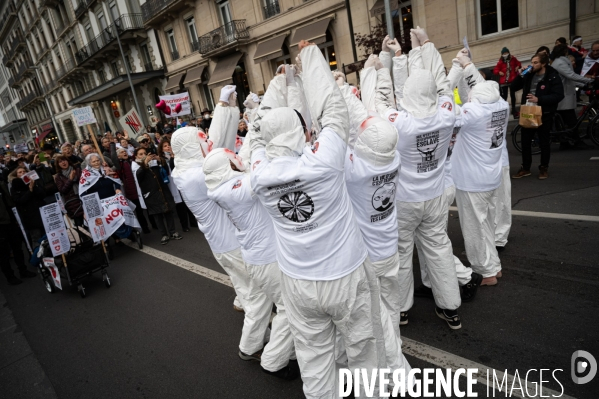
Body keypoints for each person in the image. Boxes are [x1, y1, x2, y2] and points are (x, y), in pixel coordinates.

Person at [251, 42, 398, 397]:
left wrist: (281, 85)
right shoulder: (324, 162)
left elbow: (257, 133)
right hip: (345, 274)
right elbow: (334, 111)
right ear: (303, 134)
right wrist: (311, 60)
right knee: (365, 350)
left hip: (298, 281)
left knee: (314, 358)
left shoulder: (257, 175)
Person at [374, 28, 462, 329]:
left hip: (404, 201)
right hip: (436, 195)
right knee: (439, 248)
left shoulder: (402, 124)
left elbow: (384, 99)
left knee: (401, 253)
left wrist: (386, 62)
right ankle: (450, 308)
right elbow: (441, 83)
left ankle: (401, 309)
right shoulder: (446, 114)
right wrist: (425, 46)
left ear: (408, 96)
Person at [203, 148, 297, 380]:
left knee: (273, 303)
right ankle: (274, 360)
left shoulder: (222, 187)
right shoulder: (235, 189)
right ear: (226, 166)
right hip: (267, 259)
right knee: (291, 308)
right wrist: (258, 152)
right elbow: (266, 177)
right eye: (232, 158)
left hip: (259, 257)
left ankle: (257, 347)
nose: (238, 158)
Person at [170, 126, 252, 319]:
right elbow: (241, 172)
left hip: (223, 241)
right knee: (253, 292)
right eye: (203, 141)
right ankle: (254, 339)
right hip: (229, 243)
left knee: (241, 280)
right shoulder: (195, 177)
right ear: (191, 148)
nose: (210, 143)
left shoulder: (185, 169)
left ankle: (241, 301)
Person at [511, 52, 564, 179]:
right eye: (532, 62)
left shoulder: (552, 76)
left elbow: (558, 95)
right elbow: (513, 87)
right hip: (528, 112)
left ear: (543, 64)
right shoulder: (529, 75)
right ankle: (525, 168)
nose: (533, 65)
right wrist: (520, 75)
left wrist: (539, 99)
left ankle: (543, 168)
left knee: (544, 142)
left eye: (536, 63)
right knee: (525, 142)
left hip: (544, 113)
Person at [134, 148, 182, 245]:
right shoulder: (138, 168)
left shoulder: (155, 164)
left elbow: (165, 168)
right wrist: (145, 163)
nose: (144, 155)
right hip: (151, 196)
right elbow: (139, 175)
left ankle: (172, 232)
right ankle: (164, 234)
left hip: (163, 192)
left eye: (145, 153)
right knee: (158, 216)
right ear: (136, 157)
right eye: (140, 154)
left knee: (168, 212)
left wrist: (159, 159)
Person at [550, 44, 594, 149]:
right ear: (564, 51)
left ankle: (565, 142)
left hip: (564, 95)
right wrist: (589, 80)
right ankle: (576, 141)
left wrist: (583, 85)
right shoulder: (560, 62)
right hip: (563, 96)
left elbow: (569, 80)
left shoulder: (560, 61)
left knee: (565, 121)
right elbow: (571, 76)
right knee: (571, 121)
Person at [0, 180, 37, 285]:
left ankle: (23, 270)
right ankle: (10, 276)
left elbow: (9, 201)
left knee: (17, 247)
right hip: (1, 225)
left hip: (11, 221)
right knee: (3, 254)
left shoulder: (2, 184)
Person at [110, 143, 151, 234]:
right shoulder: (119, 165)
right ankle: (145, 228)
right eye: (121, 152)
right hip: (131, 191)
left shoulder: (133, 161)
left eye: (125, 151)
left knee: (148, 207)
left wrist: (130, 140)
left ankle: (154, 224)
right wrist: (112, 144)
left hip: (140, 188)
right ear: (118, 156)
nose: (124, 153)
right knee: (139, 211)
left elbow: (138, 150)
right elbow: (113, 157)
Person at [157, 140, 195, 232]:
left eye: (169, 145)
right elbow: (169, 169)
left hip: (182, 180)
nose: (168, 147)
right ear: (161, 149)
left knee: (188, 202)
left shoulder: (178, 155)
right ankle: (184, 225)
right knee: (180, 205)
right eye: (165, 146)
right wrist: (171, 158)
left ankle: (193, 222)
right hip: (172, 183)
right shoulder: (161, 159)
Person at [9, 166, 46, 244]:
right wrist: (30, 190)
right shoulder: (15, 187)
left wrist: (34, 186)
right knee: (37, 239)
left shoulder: (34, 181)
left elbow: (42, 194)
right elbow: (19, 201)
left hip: (41, 213)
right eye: (20, 172)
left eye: (24, 171)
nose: (23, 173)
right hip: (30, 218)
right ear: (16, 175)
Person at [54, 155, 84, 226]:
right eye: (60, 162)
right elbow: (62, 190)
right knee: (79, 226)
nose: (63, 163)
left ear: (68, 161)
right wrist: (70, 179)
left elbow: (83, 183)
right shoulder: (59, 177)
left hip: (81, 199)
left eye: (64, 160)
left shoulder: (77, 170)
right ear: (58, 165)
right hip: (72, 204)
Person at [493, 47, 522, 117]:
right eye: (504, 53)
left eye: (506, 53)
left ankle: (514, 109)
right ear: (502, 54)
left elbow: (519, 64)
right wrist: (499, 72)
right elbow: (495, 70)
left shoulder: (513, 59)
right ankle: (504, 109)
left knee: (513, 95)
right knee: (504, 96)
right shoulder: (500, 62)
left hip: (512, 80)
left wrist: (517, 66)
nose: (505, 54)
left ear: (508, 53)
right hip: (504, 81)